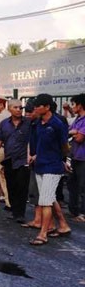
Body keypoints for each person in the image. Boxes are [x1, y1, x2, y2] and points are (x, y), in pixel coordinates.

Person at [28, 93, 72, 246]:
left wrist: (64, 160)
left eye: (38, 105)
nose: (35, 108)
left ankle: (43, 234)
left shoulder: (57, 124)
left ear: (47, 107)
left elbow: (65, 146)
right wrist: (35, 156)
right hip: (40, 164)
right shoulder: (38, 124)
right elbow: (40, 145)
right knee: (50, 198)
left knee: (45, 201)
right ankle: (62, 225)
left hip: (52, 167)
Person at [0, 99, 32, 223]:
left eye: (20, 108)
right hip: (9, 159)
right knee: (11, 186)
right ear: (10, 109)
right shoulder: (4, 124)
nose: (18, 110)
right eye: (16, 108)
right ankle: (14, 211)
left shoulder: (28, 123)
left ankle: (20, 213)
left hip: (23, 160)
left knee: (22, 187)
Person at [67, 93, 85, 223]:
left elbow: (79, 138)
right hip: (74, 156)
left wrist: (74, 133)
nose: (72, 107)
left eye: (74, 104)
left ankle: (83, 213)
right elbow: (68, 132)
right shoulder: (77, 119)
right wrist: (74, 133)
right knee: (72, 184)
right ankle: (73, 210)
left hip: (83, 157)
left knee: (83, 186)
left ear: (80, 105)